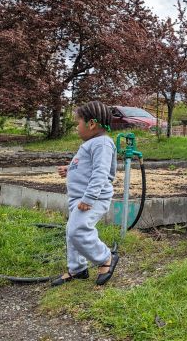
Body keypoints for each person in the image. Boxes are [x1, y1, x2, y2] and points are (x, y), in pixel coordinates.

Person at [51, 101, 119, 286]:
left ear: (91, 124)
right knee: (71, 231)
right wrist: (69, 169)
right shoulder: (92, 143)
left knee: (77, 230)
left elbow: (100, 172)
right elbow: (85, 166)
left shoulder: (102, 143)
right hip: (79, 199)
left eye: (78, 122)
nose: (76, 126)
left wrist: (89, 198)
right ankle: (77, 268)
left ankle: (105, 257)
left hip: (92, 199)